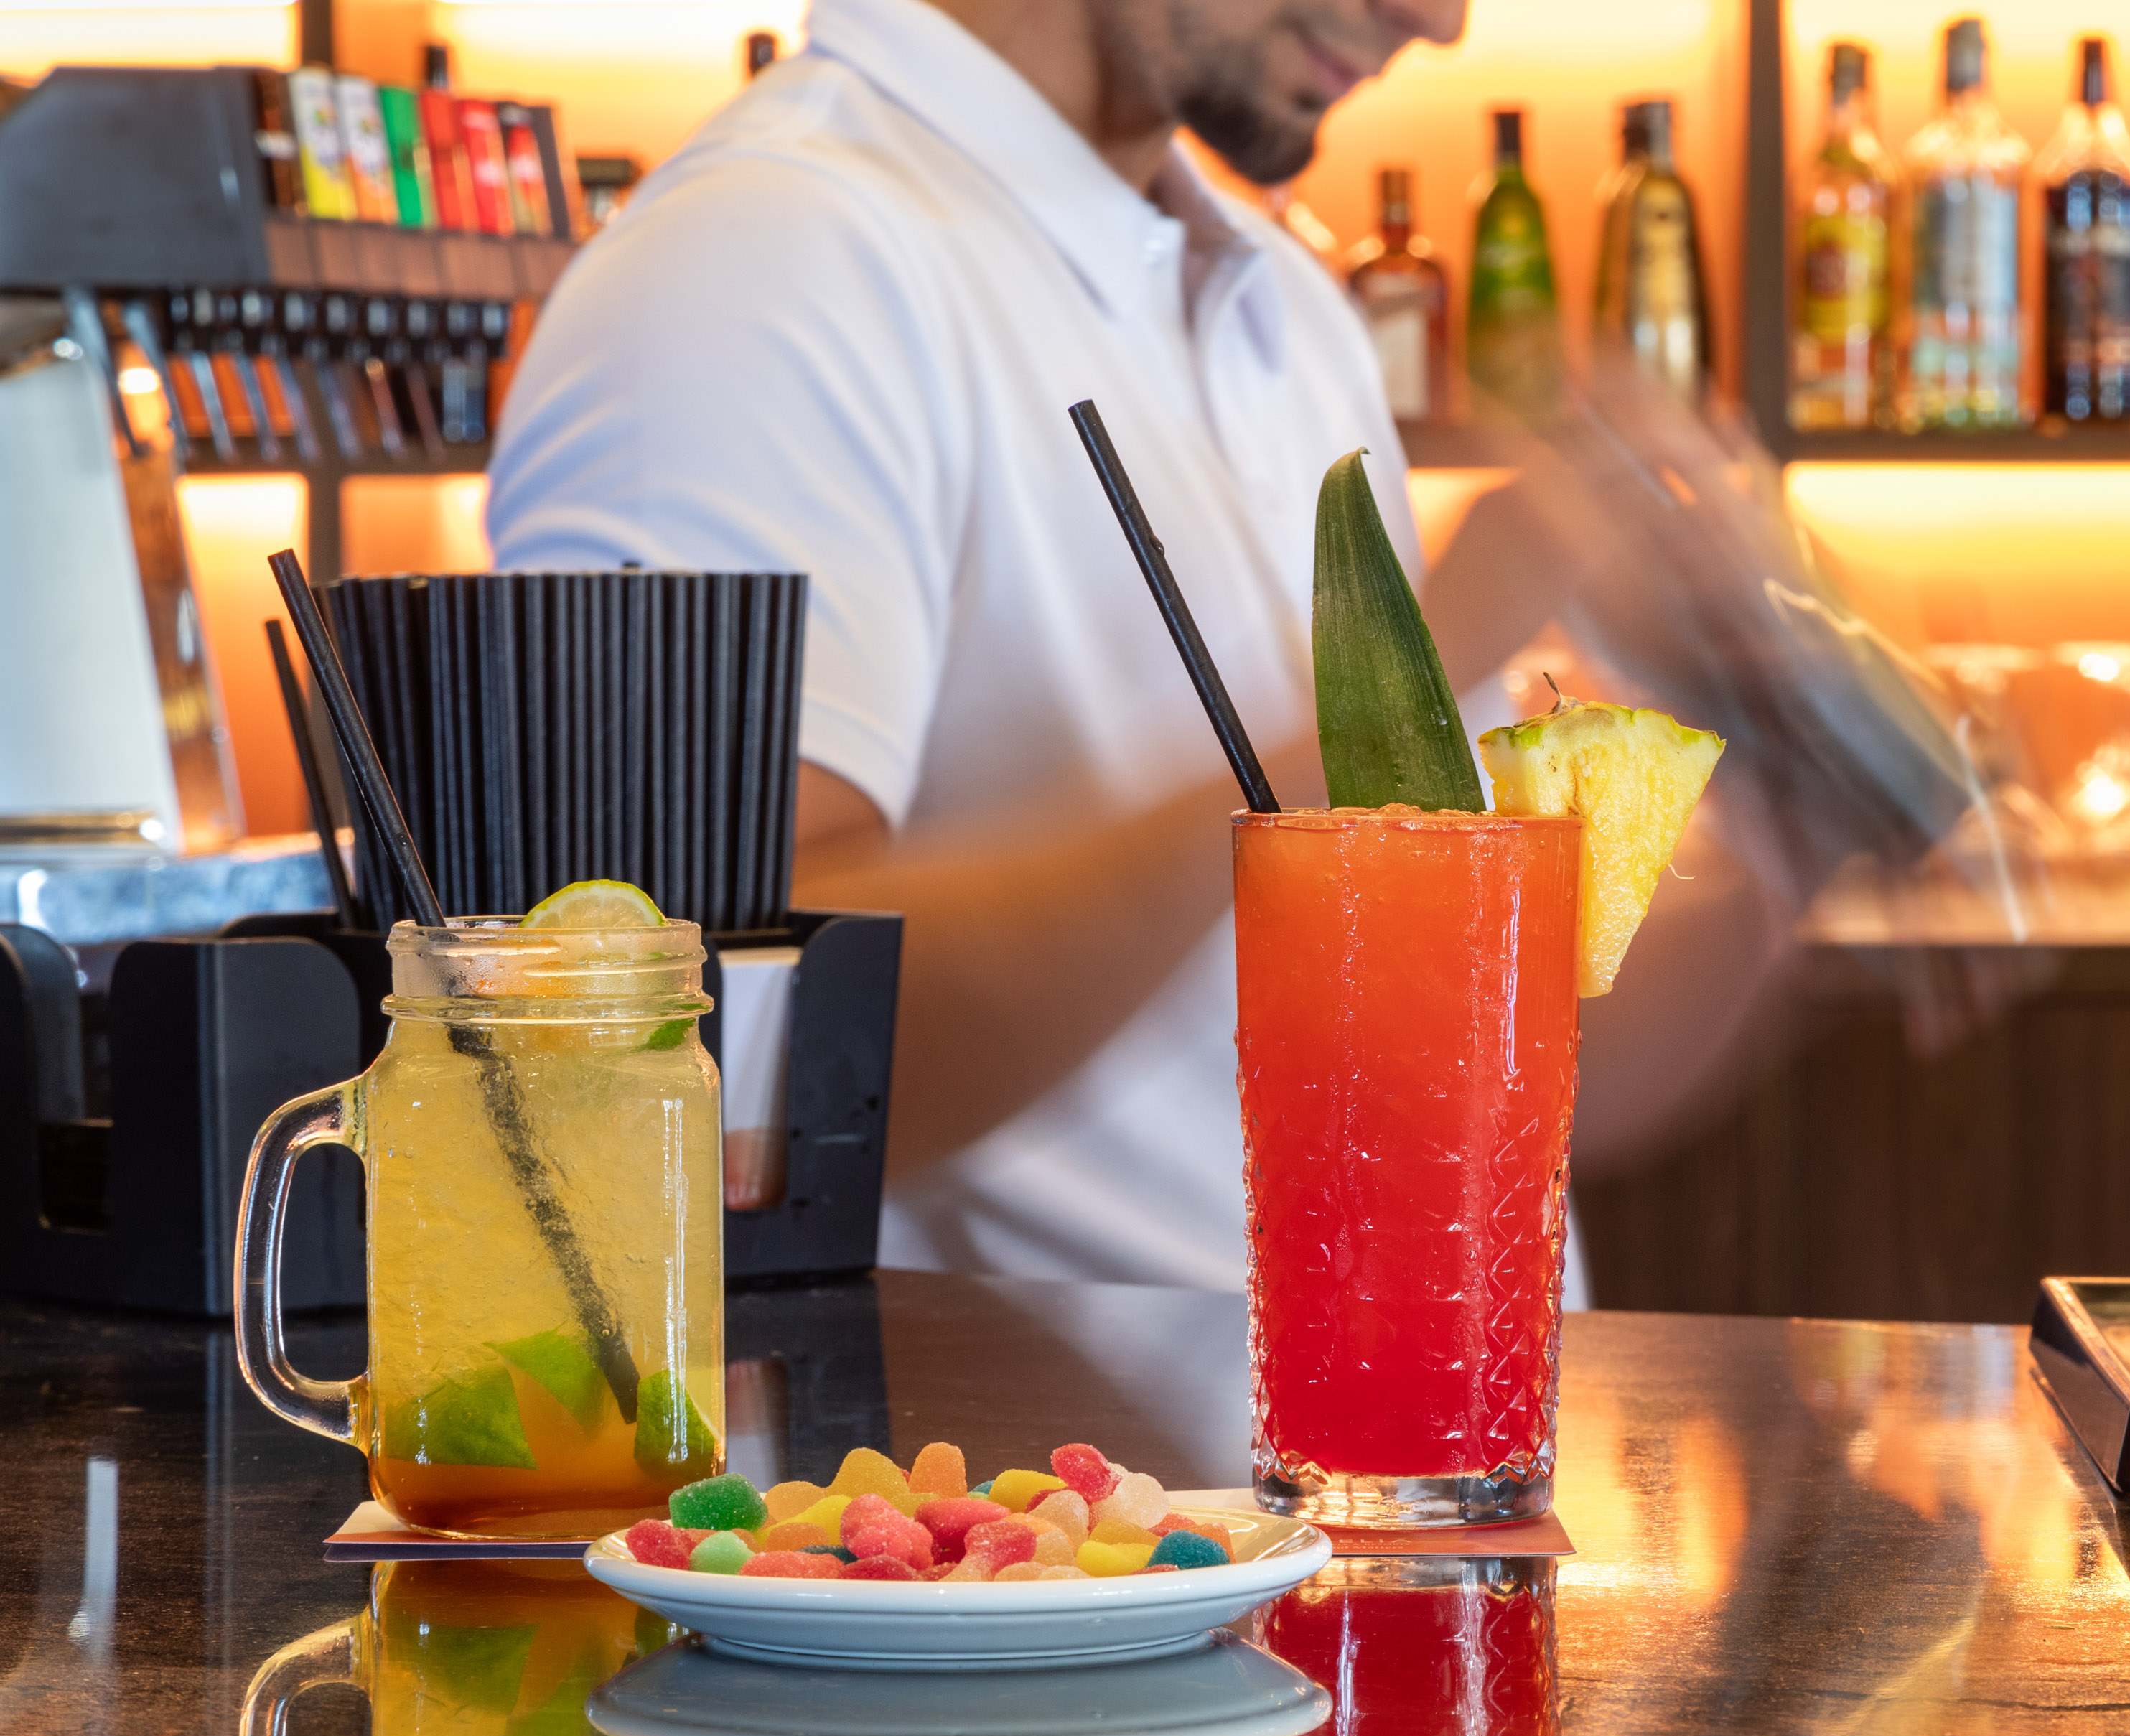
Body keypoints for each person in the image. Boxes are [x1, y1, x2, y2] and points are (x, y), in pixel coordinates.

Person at [487, 0, 1602, 1286]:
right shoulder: (758, 262)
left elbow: (1469, 1039)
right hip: (1076, 1473)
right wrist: (1398, 681)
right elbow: (705, 1069)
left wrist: (1807, 804)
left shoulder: (1286, 307)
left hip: (1437, 1446)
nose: (1438, 19)